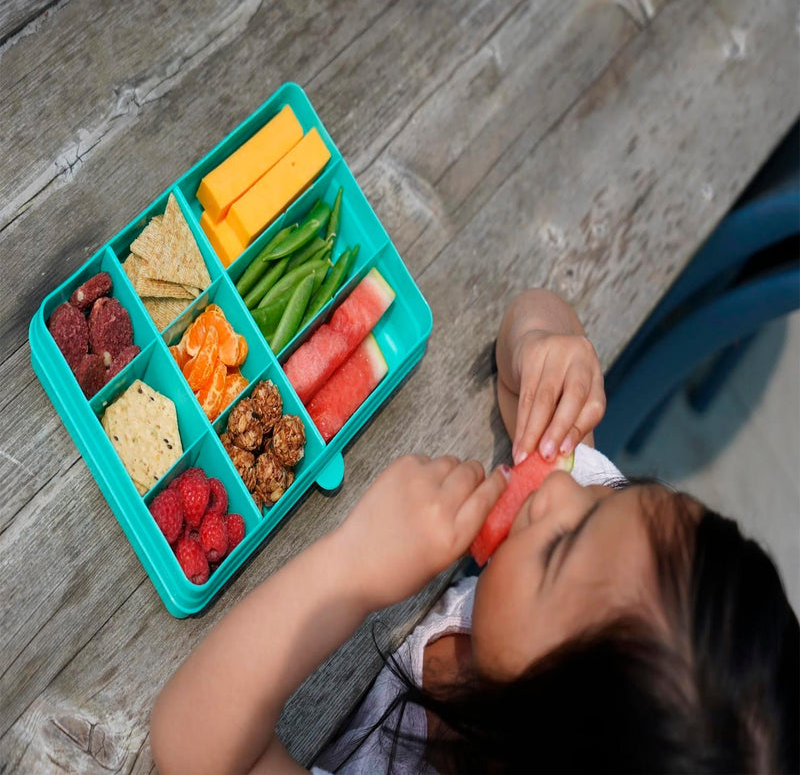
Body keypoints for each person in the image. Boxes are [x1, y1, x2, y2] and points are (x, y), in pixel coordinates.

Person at [150, 289, 799, 774]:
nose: (565, 490)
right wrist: (546, 347)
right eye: (617, 499)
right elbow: (534, 319)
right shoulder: (599, 562)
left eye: (560, 550)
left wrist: (352, 567)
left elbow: (191, 741)